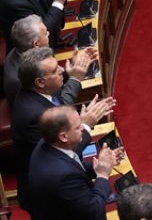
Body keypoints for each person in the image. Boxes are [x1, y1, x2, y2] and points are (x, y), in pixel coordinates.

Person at [12, 46, 112, 208]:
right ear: (40, 82)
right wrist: (86, 125)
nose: (61, 70)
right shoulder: (34, 116)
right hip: (49, 197)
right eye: (55, 70)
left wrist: (73, 72)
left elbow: (58, 97)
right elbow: (63, 152)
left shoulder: (36, 90)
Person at [25, 105, 122, 220]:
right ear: (63, 136)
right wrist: (102, 175)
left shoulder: (46, 143)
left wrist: (100, 165)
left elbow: (74, 167)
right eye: (77, 127)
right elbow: (93, 208)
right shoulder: (62, 176)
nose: (83, 127)